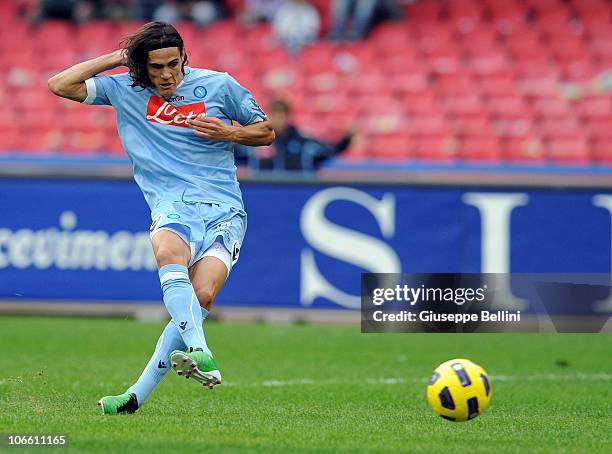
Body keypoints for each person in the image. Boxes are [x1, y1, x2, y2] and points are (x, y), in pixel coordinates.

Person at [48, 21, 274, 414]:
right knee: (169, 253)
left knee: (201, 297)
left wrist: (228, 134)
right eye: (156, 67)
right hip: (172, 204)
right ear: (142, 67)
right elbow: (60, 84)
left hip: (225, 210)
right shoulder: (125, 89)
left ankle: (135, 396)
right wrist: (120, 57)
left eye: (174, 63)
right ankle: (201, 351)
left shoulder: (219, 85)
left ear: (185, 57)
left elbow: (267, 131)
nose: (167, 74)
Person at [239, 99, 351, 172]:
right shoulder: (255, 143)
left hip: (297, 196)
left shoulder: (304, 143)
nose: (279, 119)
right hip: (265, 196)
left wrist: (347, 138)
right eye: (274, 114)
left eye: (282, 114)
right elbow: (235, 153)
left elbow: (330, 150)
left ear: (288, 116)